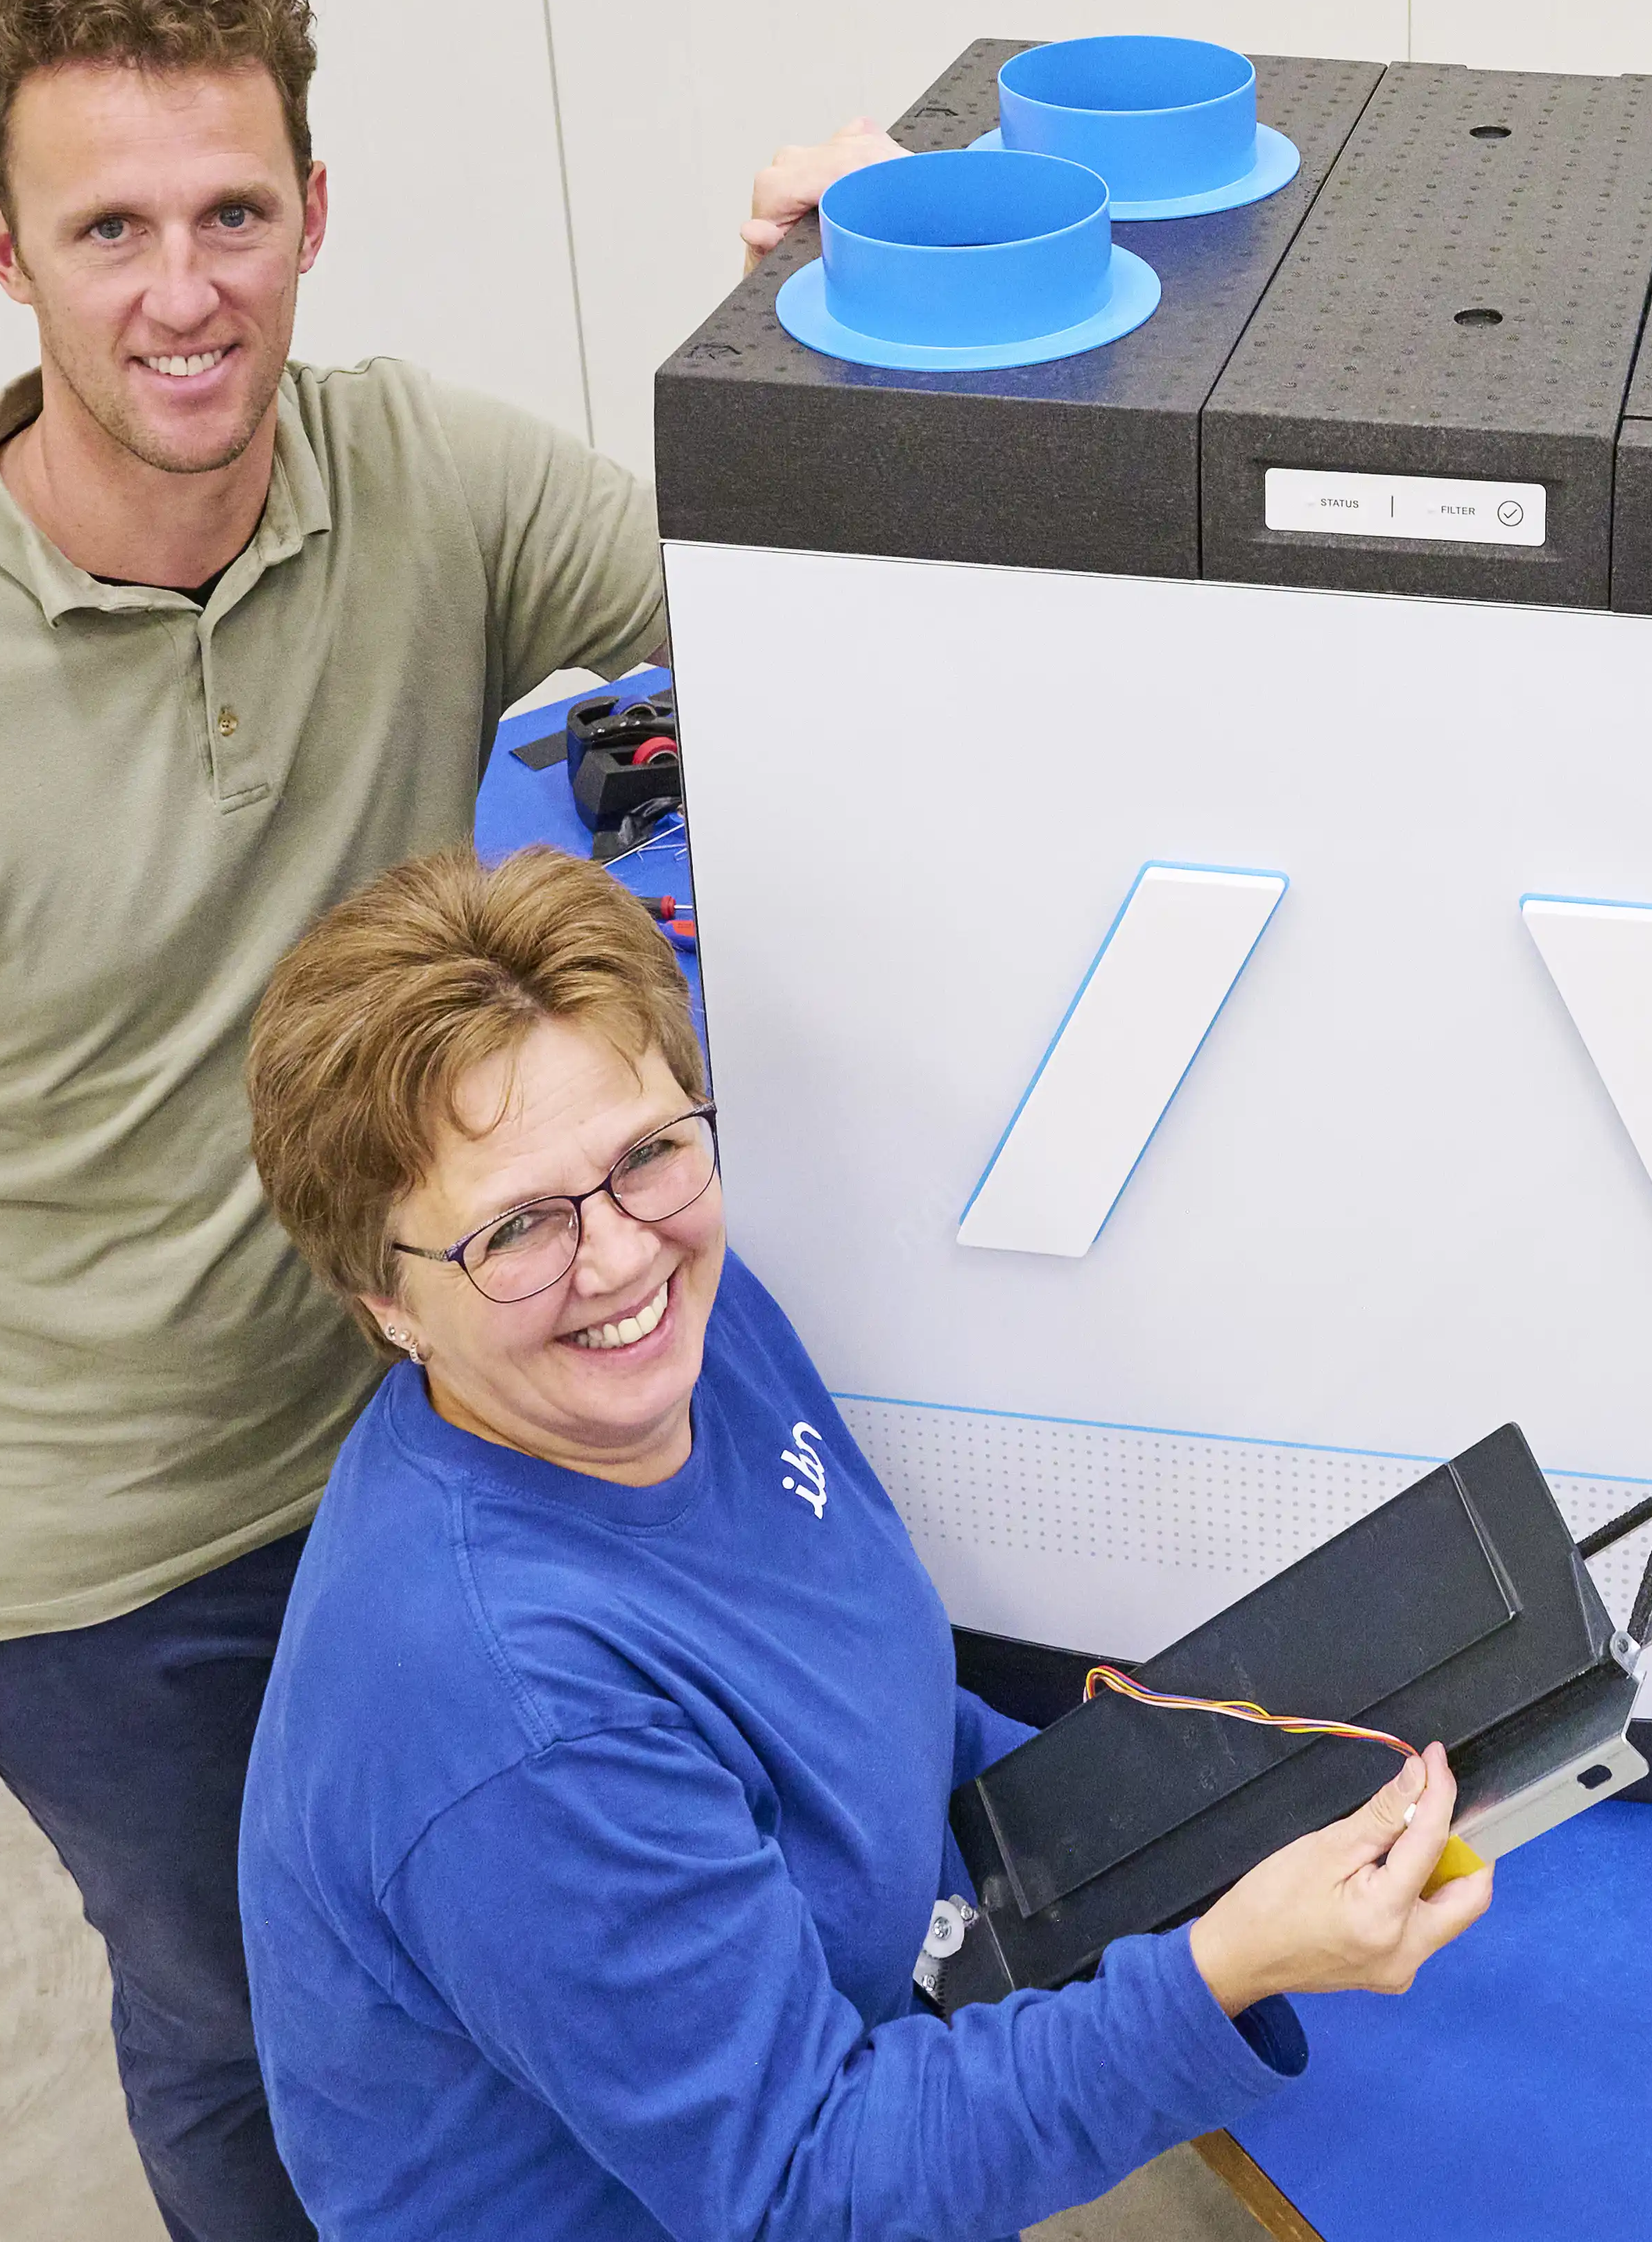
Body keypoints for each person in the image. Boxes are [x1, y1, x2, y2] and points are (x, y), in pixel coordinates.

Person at [0, 0, 897, 2240]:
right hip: (106, 1555)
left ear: (312, 213)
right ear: (3, 252)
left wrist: (811, 323)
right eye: (108, 229)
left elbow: (784, 620)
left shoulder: (421, 478)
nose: (183, 289)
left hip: (439, 1405)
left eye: (232, 213)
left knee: (520, 1990)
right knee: (251, 2012)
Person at [232, 845, 1486, 2234]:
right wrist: (1207, 1971)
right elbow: (808, 2189)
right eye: (516, 1226)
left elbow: (854, 1696)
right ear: (382, 1299)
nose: (621, 1258)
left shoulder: (685, 1334)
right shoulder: (510, 1710)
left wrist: (1192, 1815)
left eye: (648, 1149)